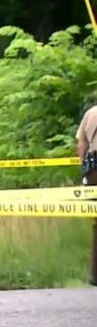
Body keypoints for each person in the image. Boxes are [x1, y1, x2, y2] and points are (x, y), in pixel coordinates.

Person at [75, 103, 97, 285]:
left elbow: (81, 144)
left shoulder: (90, 113)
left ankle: (95, 273)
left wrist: (83, 169)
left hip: (93, 171)